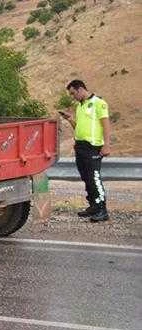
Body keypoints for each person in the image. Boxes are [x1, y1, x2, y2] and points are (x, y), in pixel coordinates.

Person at [60, 79, 111, 222]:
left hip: (93, 147)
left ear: (80, 89)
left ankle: (102, 209)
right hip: (81, 147)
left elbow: (106, 125)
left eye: (73, 93)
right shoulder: (80, 106)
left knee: (94, 178)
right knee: (86, 178)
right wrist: (70, 119)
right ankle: (93, 206)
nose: (72, 97)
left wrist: (106, 145)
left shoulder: (98, 103)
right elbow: (80, 127)